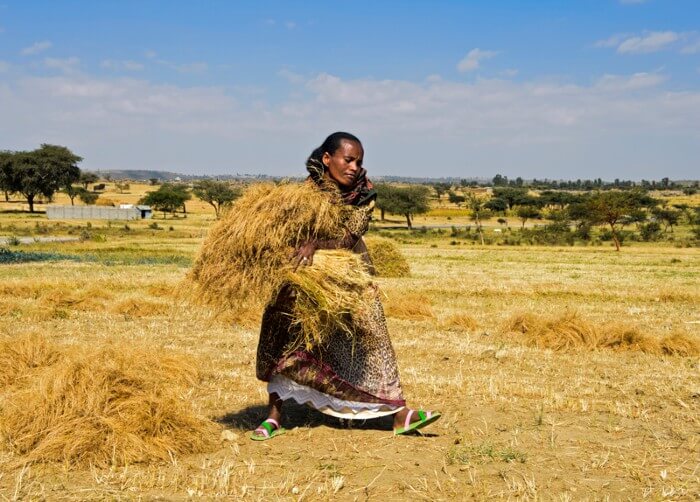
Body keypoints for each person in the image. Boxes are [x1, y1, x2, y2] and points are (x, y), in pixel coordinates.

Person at [251, 132, 440, 440]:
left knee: (372, 335)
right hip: (303, 273)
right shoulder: (303, 193)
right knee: (285, 332)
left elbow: (348, 237)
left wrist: (315, 244)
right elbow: (286, 232)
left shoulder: (364, 195)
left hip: (348, 271)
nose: (355, 167)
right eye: (348, 159)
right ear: (328, 159)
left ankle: (399, 414)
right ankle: (274, 415)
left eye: (359, 161)